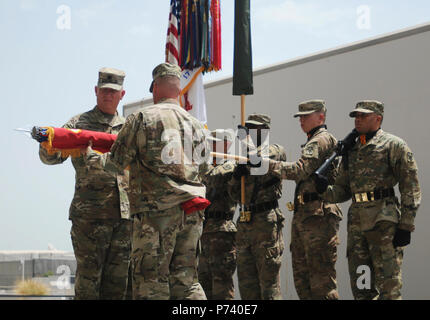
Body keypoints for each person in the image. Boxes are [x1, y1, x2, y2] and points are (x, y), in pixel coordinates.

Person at [82, 62, 210, 300]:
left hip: (156, 215)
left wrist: (91, 158)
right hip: (192, 212)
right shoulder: (197, 125)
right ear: (178, 89)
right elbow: (205, 169)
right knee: (188, 281)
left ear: (157, 87)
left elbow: (115, 164)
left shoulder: (142, 118)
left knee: (152, 282)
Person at [38, 68, 132, 300]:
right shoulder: (79, 124)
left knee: (118, 286)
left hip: (125, 217)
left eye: (113, 91)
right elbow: (51, 158)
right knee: (89, 284)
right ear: (96, 91)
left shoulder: (130, 127)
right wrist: (45, 142)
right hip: (90, 217)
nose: (108, 95)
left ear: (122, 95)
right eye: (104, 90)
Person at [318, 100, 421, 300]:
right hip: (357, 226)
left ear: (378, 118)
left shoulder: (394, 145)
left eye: (363, 115)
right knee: (362, 286)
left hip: (384, 224)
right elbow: (343, 190)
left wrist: (406, 225)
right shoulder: (352, 150)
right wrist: (325, 190)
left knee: (388, 287)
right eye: (356, 116)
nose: (358, 119)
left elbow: (410, 186)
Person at [267, 100, 342, 300]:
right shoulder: (312, 140)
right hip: (306, 214)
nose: (301, 120)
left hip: (318, 215)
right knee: (303, 282)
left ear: (321, 117)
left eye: (306, 116)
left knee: (321, 282)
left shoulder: (320, 140)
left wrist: (268, 165)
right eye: (300, 117)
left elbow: (300, 170)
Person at [229, 114, 286, 300]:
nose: (251, 132)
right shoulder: (245, 156)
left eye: (254, 129)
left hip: (266, 222)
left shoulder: (275, 150)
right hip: (245, 223)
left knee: (268, 285)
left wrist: (246, 144)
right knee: (247, 285)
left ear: (265, 130)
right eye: (248, 129)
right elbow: (235, 195)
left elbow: (259, 161)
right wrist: (237, 176)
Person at [199, 129, 237, 300]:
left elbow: (212, 177)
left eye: (215, 142)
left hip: (222, 232)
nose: (210, 146)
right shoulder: (210, 165)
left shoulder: (232, 164)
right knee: (203, 285)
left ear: (226, 145)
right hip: (205, 231)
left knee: (222, 287)